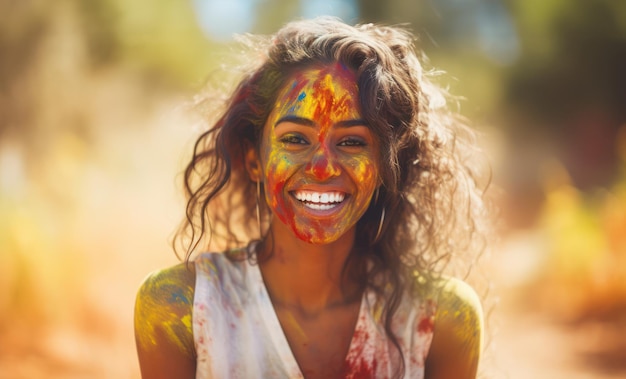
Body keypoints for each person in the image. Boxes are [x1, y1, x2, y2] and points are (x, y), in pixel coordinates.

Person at [134, 16, 491, 379]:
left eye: (352, 141)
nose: (322, 168)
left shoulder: (441, 321)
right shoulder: (181, 308)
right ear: (253, 159)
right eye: (295, 139)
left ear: (386, 167)